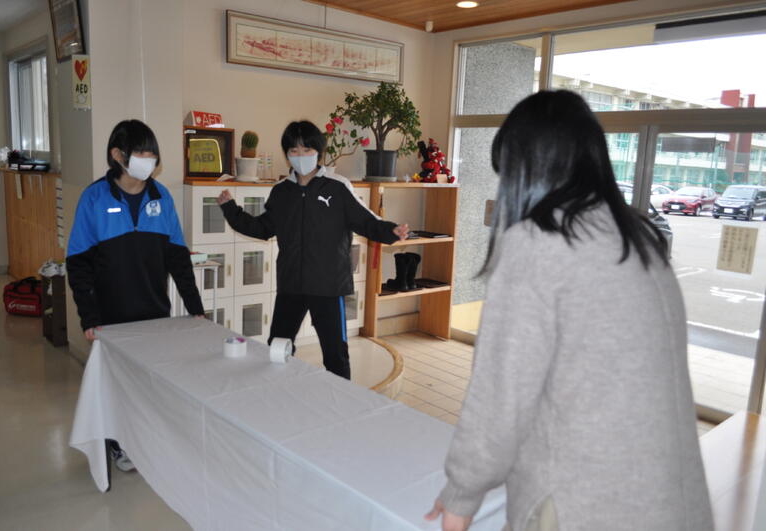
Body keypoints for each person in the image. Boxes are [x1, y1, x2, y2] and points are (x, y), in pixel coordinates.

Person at [425, 91, 712, 531]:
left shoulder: (539, 242)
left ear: (526, 170)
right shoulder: (636, 237)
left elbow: (500, 396)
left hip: (585, 497)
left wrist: (461, 496)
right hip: (670, 497)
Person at [217, 120, 409, 379]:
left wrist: (390, 231)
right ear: (287, 154)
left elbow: (365, 220)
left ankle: (342, 399)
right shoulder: (281, 192)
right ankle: (279, 392)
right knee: (278, 347)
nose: (301, 155)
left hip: (328, 286)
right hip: (291, 285)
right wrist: (231, 209)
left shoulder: (337, 187)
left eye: (307, 149)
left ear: (318, 152)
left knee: (335, 353)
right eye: (294, 150)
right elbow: (262, 228)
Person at [66, 119, 204, 471]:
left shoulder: (161, 197)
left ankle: (145, 441)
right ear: (118, 155)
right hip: (110, 315)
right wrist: (89, 317)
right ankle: (117, 444)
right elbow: (78, 264)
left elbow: (177, 257)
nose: (149, 160)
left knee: (149, 383)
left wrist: (195, 307)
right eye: (141, 153)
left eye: (152, 153)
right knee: (114, 386)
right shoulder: (94, 197)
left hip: (154, 311)